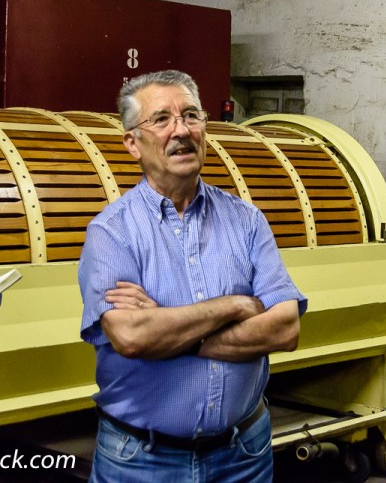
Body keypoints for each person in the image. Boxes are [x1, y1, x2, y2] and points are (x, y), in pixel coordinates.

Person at [78, 69, 307, 483]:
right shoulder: (111, 233)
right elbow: (132, 338)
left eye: (191, 116)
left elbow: (285, 329)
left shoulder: (247, 221)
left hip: (243, 456)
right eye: (161, 119)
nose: (181, 130)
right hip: (141, 461)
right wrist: (236, 305)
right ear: (133, 142)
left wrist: (169, 330)